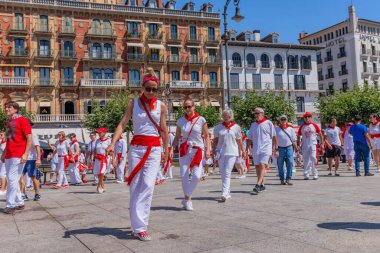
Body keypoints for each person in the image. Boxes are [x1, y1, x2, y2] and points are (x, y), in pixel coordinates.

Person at [106, 67, 169, 241]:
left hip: (154, 149)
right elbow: (122, 124)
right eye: (147, 88)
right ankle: (137, 225)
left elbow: (163, 129)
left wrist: (166, 150)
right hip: (136, 149)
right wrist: (112, 143)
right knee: (135, 186)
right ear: (142, 88)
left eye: (154, 89)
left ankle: (141, 226)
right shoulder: (133, 103)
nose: (150, 92)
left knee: (148, 185)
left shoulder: (161, 106)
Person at [172, 98, 211, 211]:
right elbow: (177, 136)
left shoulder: (201, 119)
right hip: (184, 149)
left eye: (189, 106)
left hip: (198, 150)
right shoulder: (180, 121)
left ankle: (186, 197)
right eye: (185, 107)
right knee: (184, 176)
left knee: (197, 176)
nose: (187, 109)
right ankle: (188, 200)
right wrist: (170, 149)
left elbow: (207, 135)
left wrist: (208, 150)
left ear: (194, 107)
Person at [1, 101, 32, 214]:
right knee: (12, 179)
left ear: (15, 109)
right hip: (9, 154)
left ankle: (10, 205)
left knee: (12, 179)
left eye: (9, 107)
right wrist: (4, 153)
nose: (6, 109)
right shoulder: (9, 122)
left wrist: (26, 153)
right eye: (5, 107)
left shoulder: (23, 120)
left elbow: (29, 138)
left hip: (18, 153)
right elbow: (9, 140)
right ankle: (20, 203)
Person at [213, 109, 245, 201]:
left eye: (227, 116)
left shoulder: (236, 127)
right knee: (223, 173)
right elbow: (215, 141)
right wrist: (212, 151)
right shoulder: (218, 127)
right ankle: (228, 192)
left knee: (227, 172)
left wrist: (243, 151)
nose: (225, 118)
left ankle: (224, 193)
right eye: (224, 116)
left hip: (232, 153)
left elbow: (239, 141)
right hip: (221, 153)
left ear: (231, 117)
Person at [247, 108, 277, 194]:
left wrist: (276, 149)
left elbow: (274, 136)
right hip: (256, 148)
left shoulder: (268, 123)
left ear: (262, 113)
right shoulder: (253, 125)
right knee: (257, 167)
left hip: (266, 148)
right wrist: (246, 149)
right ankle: (262, 185)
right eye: (255, 114)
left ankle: (257, 184)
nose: (256, 115)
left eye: (257, 113)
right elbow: (249, 138)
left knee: (262, 165)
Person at [297, 112, 323, 180]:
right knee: (306, 160)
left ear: (310, 118)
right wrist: (297, 144)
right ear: (304, 118)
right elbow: (299, 135)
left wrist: (321, 142)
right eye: (305, 117)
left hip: (313, 144)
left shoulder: (314, 125)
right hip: (305, 144)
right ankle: (306, 174)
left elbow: (320, 133)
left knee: (313, 158)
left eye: (308, 117)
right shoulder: (302, 126)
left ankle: (315, 174)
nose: (307, 118)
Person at [19, 121, 41, 201]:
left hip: (31, 159)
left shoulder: (33, 134)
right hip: (22, 158)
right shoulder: (21, 134)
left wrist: (38, 158)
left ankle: (37, 193)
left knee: (33, 177)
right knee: (20, 176)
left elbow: (37, 147)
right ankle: (23, 194)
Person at [276, 115, 298, 185]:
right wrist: (275, 149)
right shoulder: (276, 129)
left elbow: (294, 140)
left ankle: (288, 179)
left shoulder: (291, 129)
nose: (283, 121)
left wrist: (297, 149)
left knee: (290, 163)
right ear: (280, 121)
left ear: (287, 120)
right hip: (280, 148)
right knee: (280, 165)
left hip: (289, 148)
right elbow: (274, 140)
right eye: (282, 119)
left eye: (284, 119)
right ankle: (282, 179)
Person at [93, 128, 111, 193]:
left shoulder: (108, 140)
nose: (99, 134)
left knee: (102, 172)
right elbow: (95, 149)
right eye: (98, 133)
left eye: (100, 133)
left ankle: (98, 185)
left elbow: (111, 149)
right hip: (98, 158)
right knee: (98, 173)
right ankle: (103, 186)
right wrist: (93, 156)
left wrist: (108, 152)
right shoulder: (97, 141)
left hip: (104, 158)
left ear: (104, 133)